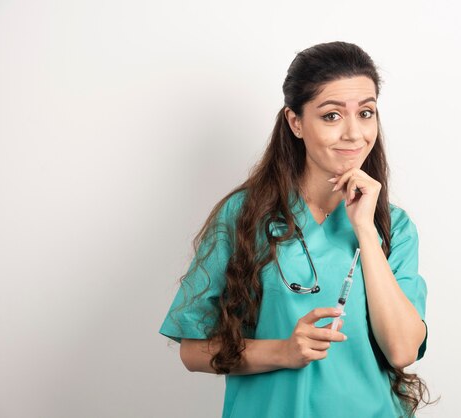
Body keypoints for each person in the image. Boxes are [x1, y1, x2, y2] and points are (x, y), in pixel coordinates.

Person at [159, 41, 435, 418]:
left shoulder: (395, 228)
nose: (355, 134)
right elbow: (193, 350)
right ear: (296, 122)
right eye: (332, 116)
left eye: (366, 113)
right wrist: (281, 351)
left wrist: (366, 232)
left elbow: (402, 350)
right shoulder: (243, 215)